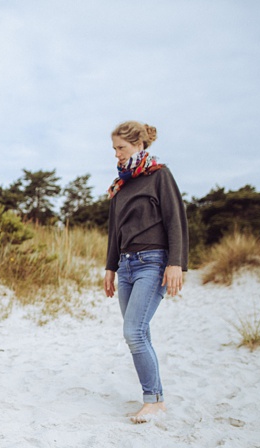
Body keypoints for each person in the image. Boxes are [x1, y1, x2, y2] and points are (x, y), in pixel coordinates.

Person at [102, 120, 188, 423]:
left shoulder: (159, 175)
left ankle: (152, 400)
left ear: (139, 144)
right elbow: (115, 231)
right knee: (140, 332)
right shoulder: (121, 184)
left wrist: (176, 262)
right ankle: (157, 399)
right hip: (125, 266)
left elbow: (175, 220)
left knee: (133, 332)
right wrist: (110, 268)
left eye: (121, 148)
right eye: (114, 149)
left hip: (153, 263)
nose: (117, 155)